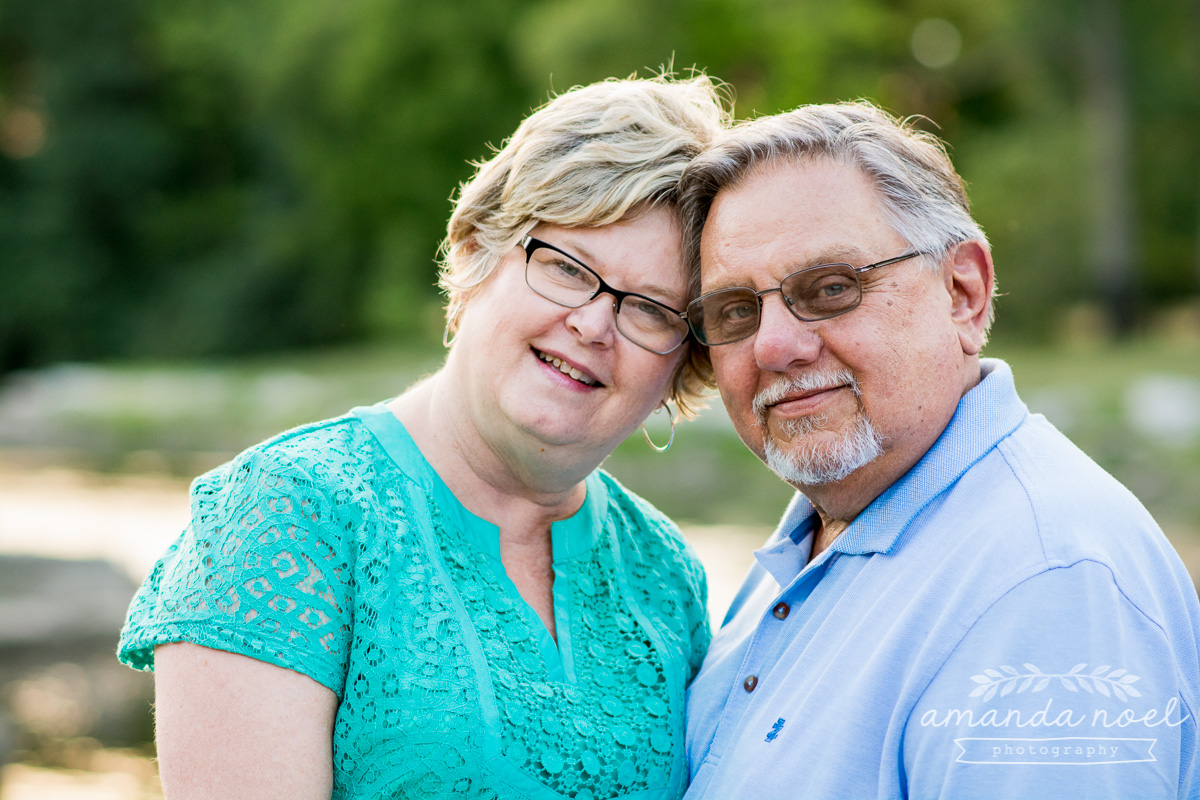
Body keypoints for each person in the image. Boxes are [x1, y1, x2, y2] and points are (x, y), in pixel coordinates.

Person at [117, 74, 730, 799]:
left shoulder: (665, 574)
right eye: (567, 268)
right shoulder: (285, 513)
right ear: (476, 252)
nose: (594, 325)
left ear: (683, 362)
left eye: (651, 310)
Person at [675, 101, 1200, 799]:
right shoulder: (820, 536)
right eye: (736, 310)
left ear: (963, 293)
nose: (773, 345)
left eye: (831, 289)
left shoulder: (1046, 581)